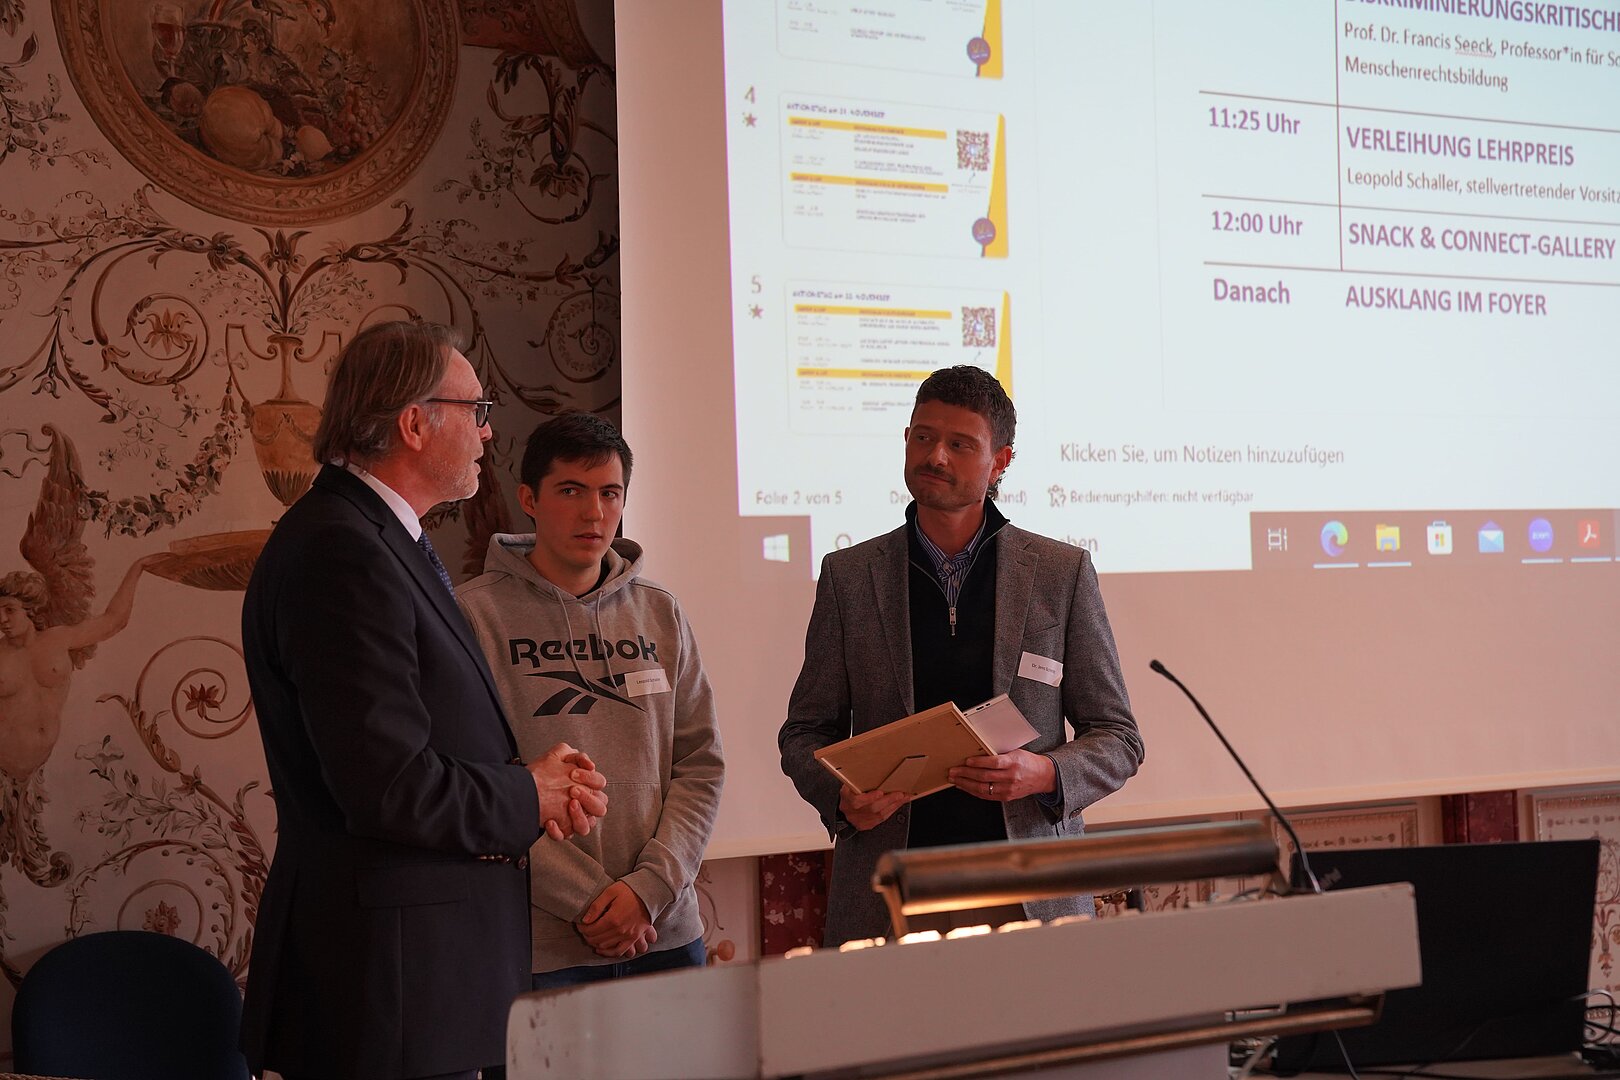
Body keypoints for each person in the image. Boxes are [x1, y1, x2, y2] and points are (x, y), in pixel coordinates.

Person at [239, 321, 608, 1080]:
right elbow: (387, 786)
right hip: (389, 989)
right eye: (476, 410)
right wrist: (527, 793)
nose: (487, 431)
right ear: (415, 423)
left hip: (415, 983)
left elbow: (417, 746)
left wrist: (531, 782)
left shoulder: (373, 537)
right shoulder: (342, 550)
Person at [778, 365, 1144, 946]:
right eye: (923, 437)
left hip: (1030, 893)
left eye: (960, 444)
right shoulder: (850, 576)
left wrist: (1044, 773)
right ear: (906, 440)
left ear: (1001, 461)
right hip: (891, 894)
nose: (936, 456)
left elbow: (1119, 739)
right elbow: (804, 733)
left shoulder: (1060, 573)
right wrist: (841, 800)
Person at [458, 412, 724, 989]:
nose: (594, 513)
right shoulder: (472, 616)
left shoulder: (660, 611)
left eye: (609, 493)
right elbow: (474, 786)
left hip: (664, 931)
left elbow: (700, 765)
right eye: (571, 491)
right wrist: (587, 899)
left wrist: (647, 890)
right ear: (529, 499)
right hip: (541, 945)